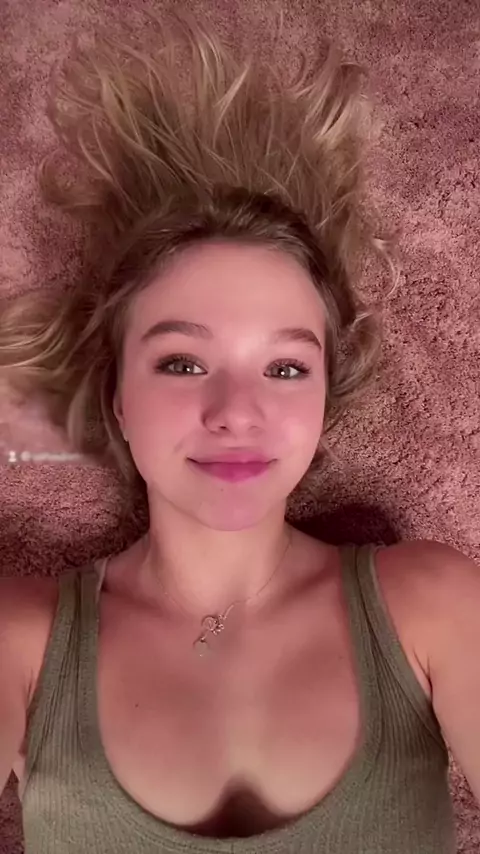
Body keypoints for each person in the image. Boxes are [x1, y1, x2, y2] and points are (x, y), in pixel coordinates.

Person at [0, 10, 479, 854]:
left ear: (324, 398)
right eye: (182, 362)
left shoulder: (432, 607)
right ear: (117, 399)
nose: (236, 410)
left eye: (286, 368)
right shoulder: (21, 639)